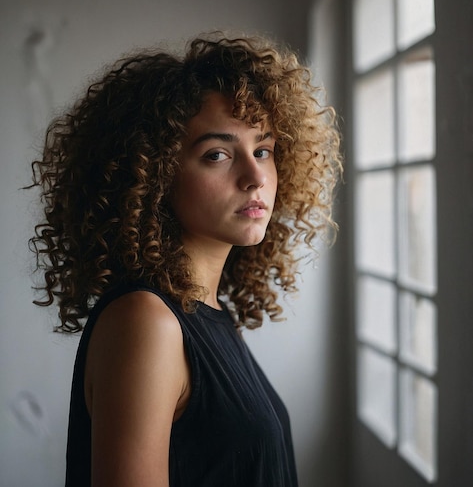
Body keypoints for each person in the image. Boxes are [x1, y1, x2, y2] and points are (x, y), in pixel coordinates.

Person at [28, 33, 342, 487]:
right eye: (217, 154)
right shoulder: (146, 321)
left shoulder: (206, 311)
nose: (255, 177)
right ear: (153, 174)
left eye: (263, 150)